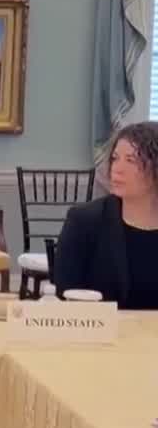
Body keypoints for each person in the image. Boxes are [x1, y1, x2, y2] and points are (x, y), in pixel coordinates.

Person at [55, 121, 158, 309]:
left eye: (131, 160)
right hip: (101, 334)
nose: (117, 169)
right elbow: (66, 293)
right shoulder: (84, 221)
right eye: (115, 158)